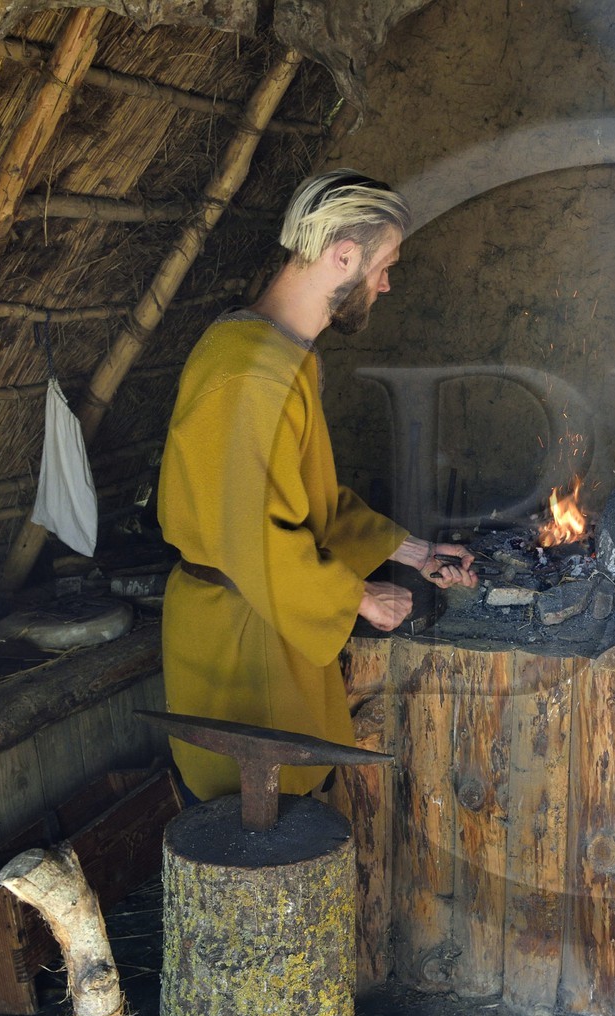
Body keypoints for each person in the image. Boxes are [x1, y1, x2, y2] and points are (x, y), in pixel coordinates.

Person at [157, 169, 477, 801]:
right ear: (344, 256)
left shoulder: (281, 356)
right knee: (255, 820)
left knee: (290, 801)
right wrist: (356, 596)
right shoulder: (249, 373)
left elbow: (309, 503)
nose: (386, 283)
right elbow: (246, 531)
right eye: (385, 264)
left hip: (269, 624)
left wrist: (411, 552)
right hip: (237, 646)